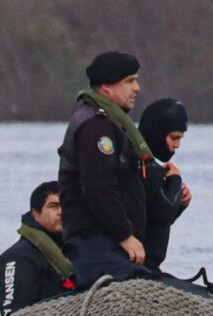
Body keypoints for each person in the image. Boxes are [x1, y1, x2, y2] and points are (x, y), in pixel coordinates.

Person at [57, 51, 154, 288]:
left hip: (107, 241)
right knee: (142, 288)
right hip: (95, 242)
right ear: (107, 88)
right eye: (129, 81)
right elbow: (98, 187)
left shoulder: (107, 122)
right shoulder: (97, 127)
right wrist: (125, 235)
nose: (137, 88)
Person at [0, 181, 73, 316]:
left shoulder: (75, 251)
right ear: (36, 214)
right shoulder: (17, 259)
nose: (61, 212)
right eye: (54, 206)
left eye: (65, 205)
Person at [138, 98, 192, 272]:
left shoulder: (146, 165)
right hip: (141, 264)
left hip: (147, 263)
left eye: (180, 139)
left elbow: (158, 219)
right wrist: (175, 181)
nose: (177, 145)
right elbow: (163, 212)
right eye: (173, 138)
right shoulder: (147, 169)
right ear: (157, 133)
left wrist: (180, 203)